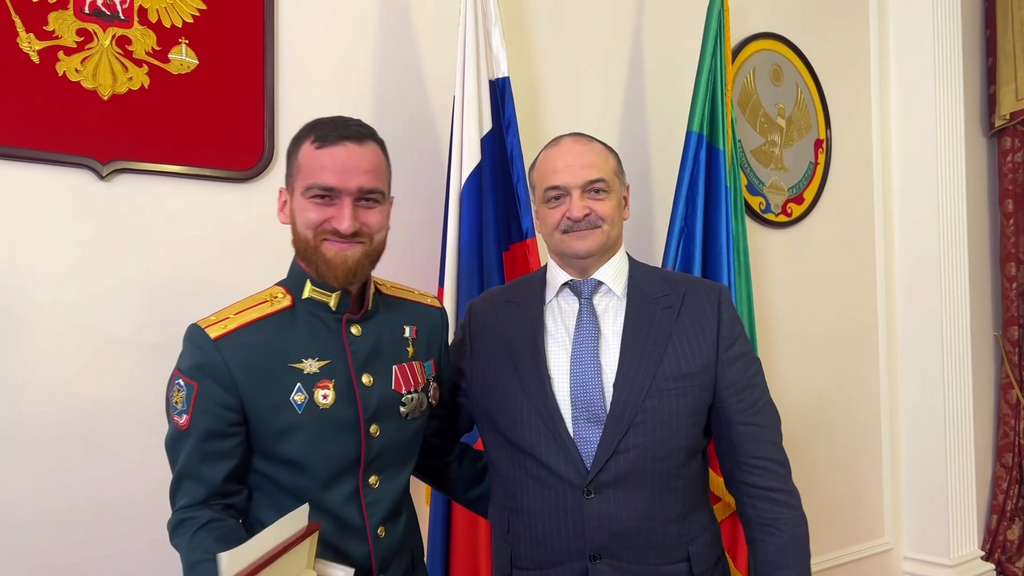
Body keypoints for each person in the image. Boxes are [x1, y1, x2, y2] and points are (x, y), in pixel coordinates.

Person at [449, 133, 811, 575]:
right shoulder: (488, 321)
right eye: (556, 197)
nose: (577, 210)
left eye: (595, 191)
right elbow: (426, 439)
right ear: (537, 214)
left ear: (624, 201)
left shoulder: (703, 309)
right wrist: (509, 494)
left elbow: (763, 482)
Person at [163, 116, 488, 576]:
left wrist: (556, 504)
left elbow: (431, 451)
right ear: (285, 205)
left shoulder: (422, 319)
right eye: (323, 197)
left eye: (368, 200)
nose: (347, 221)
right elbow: (203, 511)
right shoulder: (225, 347)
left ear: (389, 209)